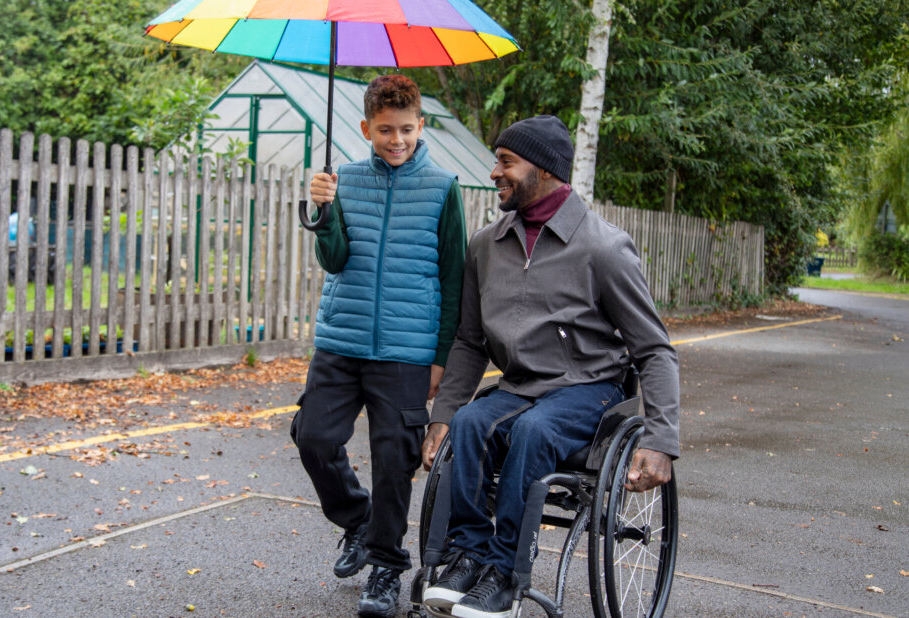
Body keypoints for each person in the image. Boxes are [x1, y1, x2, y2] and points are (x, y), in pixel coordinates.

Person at [419, 115, 680, 618]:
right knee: (471, 423)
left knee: (535, 432)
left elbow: (653, 350)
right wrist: (442, 416)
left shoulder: (603, 248)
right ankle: (467, 554)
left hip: (590, 387)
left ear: (544, 169)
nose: (495, 171)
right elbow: (470, 342)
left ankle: (505, 574)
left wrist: (661, 440)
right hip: (520, 385)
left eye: (506, 161)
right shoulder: (486, 245)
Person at [290, 75, 467, 618]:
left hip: (407, 351)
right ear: (366, 128)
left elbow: (455, 278)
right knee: (313, 436)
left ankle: (387, 567)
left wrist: (441, 358)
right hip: (341, 340)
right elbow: (335, 259)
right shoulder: (340, 179)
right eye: (385, 130)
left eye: (407, 129)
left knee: (396, 459)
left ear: (421, 125)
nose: (397, 139)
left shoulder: (443, 186)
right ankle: (359, 523)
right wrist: (324, 214)